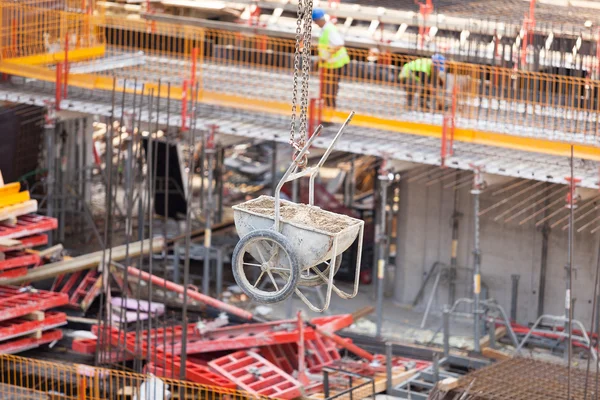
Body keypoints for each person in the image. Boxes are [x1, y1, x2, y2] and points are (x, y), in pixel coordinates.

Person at [313, 8, 350, 111]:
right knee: (327, 90)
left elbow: (339, 44)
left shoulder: (329, 29)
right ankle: (327, 111)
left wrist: (324, 57)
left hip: (335, 65)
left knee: (330, 90)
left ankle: (329, 112)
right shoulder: (325, 29)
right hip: (330, 65)